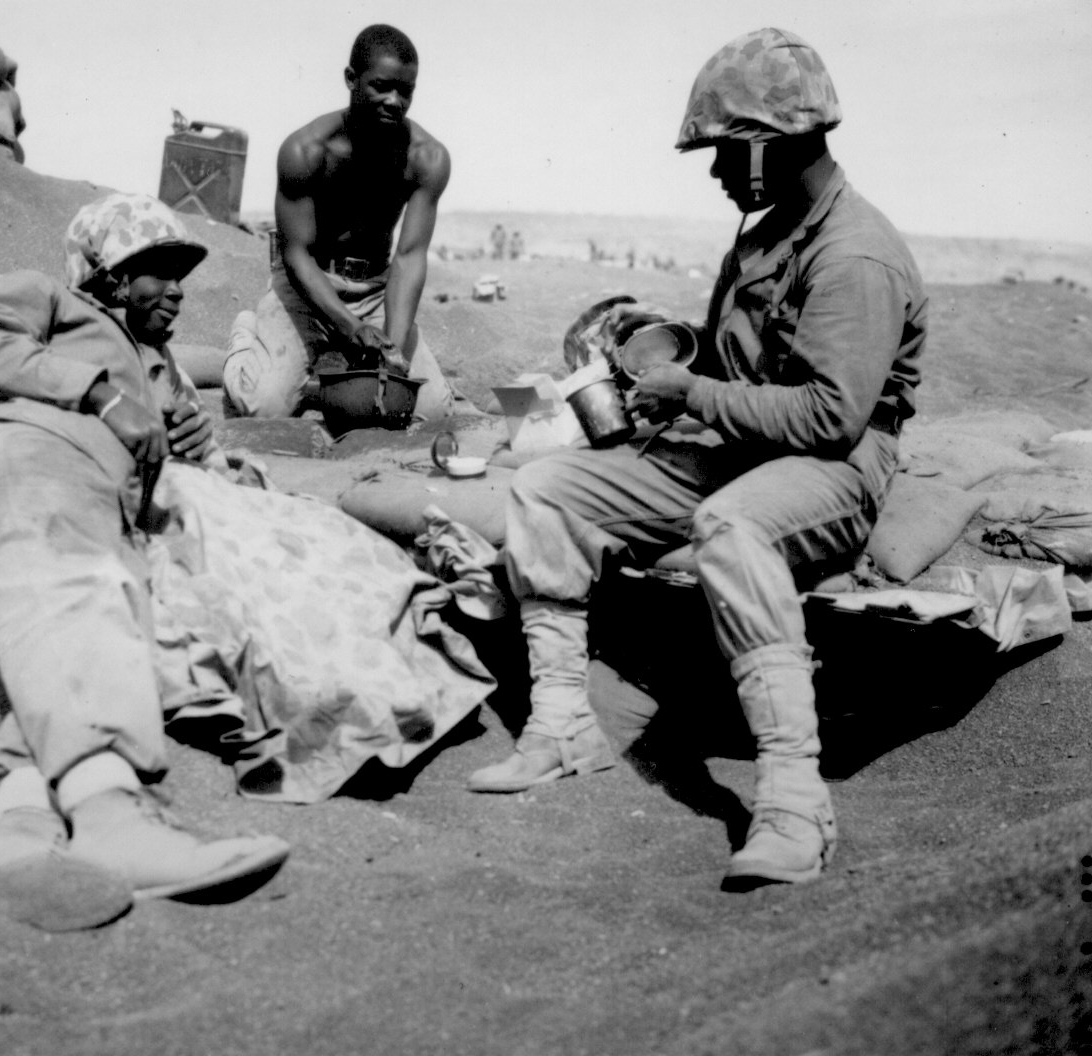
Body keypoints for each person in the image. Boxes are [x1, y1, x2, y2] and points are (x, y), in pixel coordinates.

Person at [468, 28, 927, 892]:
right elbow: (735, 373)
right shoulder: (765, 236)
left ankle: (793, 800)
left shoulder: (852, 254)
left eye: (721, 153)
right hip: (743, 443)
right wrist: (664, 384)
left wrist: (694, 396)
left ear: (763, 146)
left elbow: (830, 418)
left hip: (833, 465)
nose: (716, 173)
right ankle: (563, 725)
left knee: (730, 528)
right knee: (546, 488)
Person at [0, 192, 290, 929]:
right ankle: (112, 818)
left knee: (97, 613)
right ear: (107, 274)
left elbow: (190, 460)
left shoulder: (160, 367)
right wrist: (100, 394)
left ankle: (20, 829)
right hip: (24, 452)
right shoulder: (47, 298)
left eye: (182, 273)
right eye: (157, 270)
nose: (177, 290)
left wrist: (195, 450)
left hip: (100, 507)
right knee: (69, 584)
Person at [222, 23, 460, 421]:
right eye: (380, 86)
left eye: (406, 91)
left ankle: (333, 373)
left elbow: (409, 257)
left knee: (428, 410)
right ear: (351, 79)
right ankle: (249, 336)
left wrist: (392, 352)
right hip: (306, 287)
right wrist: (351, 328)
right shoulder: (306, 150)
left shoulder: (427, 158)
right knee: (264, 405)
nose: (394, 101)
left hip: (374, 291)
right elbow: (295, 253)